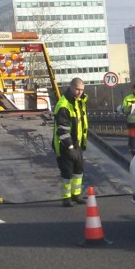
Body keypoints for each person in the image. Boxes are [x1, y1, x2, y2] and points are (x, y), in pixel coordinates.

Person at [53, 77, 89, 207]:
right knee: (67, 172)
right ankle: (66, 198)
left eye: (82, 89)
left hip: (77, 143)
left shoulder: (79, 101)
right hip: (65, 145)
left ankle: (76, 195)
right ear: (71, 88)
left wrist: (79, 144)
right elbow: (62, 130)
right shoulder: (63, 105)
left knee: (78, 170)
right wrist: (70, 147)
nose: (80, 92)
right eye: (77, 89)